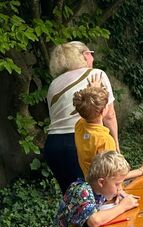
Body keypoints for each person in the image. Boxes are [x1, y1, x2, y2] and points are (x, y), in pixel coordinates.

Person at [44, 41, 119, 192]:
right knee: (100, 193)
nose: (93, 58)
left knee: (73, 197)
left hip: (53, 145)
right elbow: (109, 115)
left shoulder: (53, 84)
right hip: (82, 141)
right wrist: (116, 147)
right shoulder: (96, 74)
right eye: (91, 54)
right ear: (85, 55)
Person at [72, 85, 143, 179]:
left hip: (90, 184)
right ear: (103, 111)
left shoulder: (79, 125)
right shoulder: (105, 140)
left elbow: (87, 107)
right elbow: (114, 176)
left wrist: (92, 92)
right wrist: (142, 170)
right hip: (106, 187)